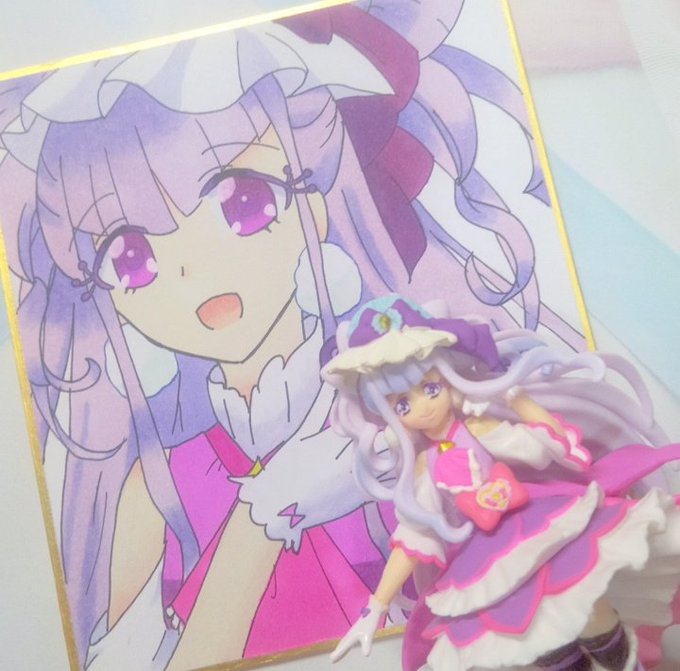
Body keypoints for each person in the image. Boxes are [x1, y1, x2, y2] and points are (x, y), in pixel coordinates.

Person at [0, 2, 580, 668]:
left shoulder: (414, 408)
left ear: (316, 198)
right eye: (129, 255)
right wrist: (264, 518)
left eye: (239, 200)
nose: (191, 269)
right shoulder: (158, 489)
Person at [323, 295, 680, 671]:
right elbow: (414, 537)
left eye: (430, 389)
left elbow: (546, 449)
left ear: (448, 381)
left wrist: (519, 400)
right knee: (539, 642)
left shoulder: (479, 427)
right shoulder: (425, 467)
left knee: (590, 606)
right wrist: (375, 607)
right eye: (403, 405)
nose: (424, 407)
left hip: (540, 523)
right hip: (483, 563)